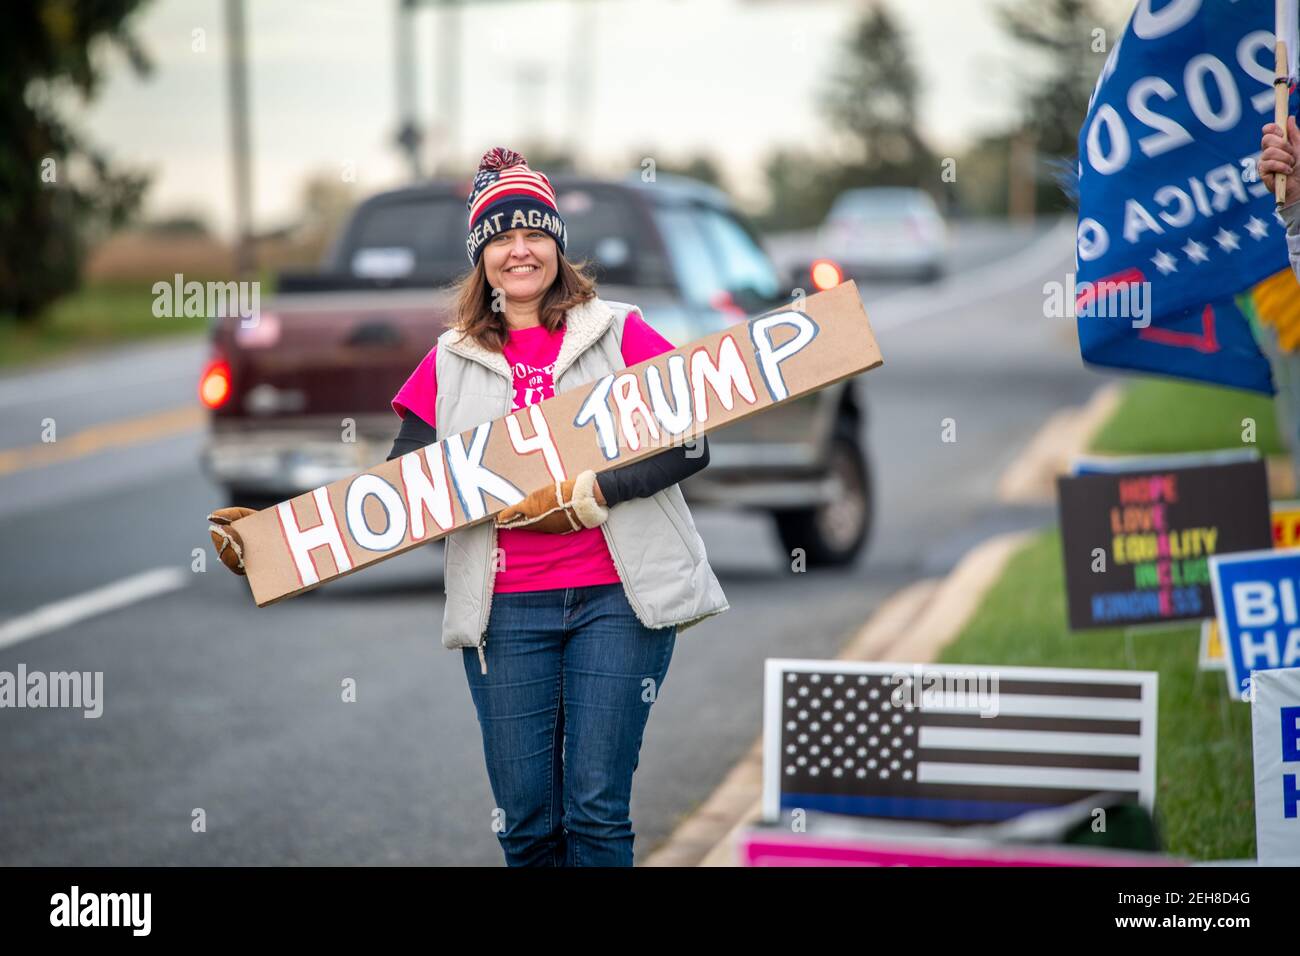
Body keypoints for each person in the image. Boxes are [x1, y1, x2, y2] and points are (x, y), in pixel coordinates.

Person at [207, 146, 730, 867]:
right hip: (507, 615)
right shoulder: (448, 363)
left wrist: (589, 495)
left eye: (534, 233)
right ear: (482, 257)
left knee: (597, 813)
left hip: (619, 600)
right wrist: (269, 542)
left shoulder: (620, 332)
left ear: (558, 244)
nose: (520, 249)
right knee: (527, 824)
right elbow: (397, 497)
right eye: (502, 237)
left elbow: (692, 445)